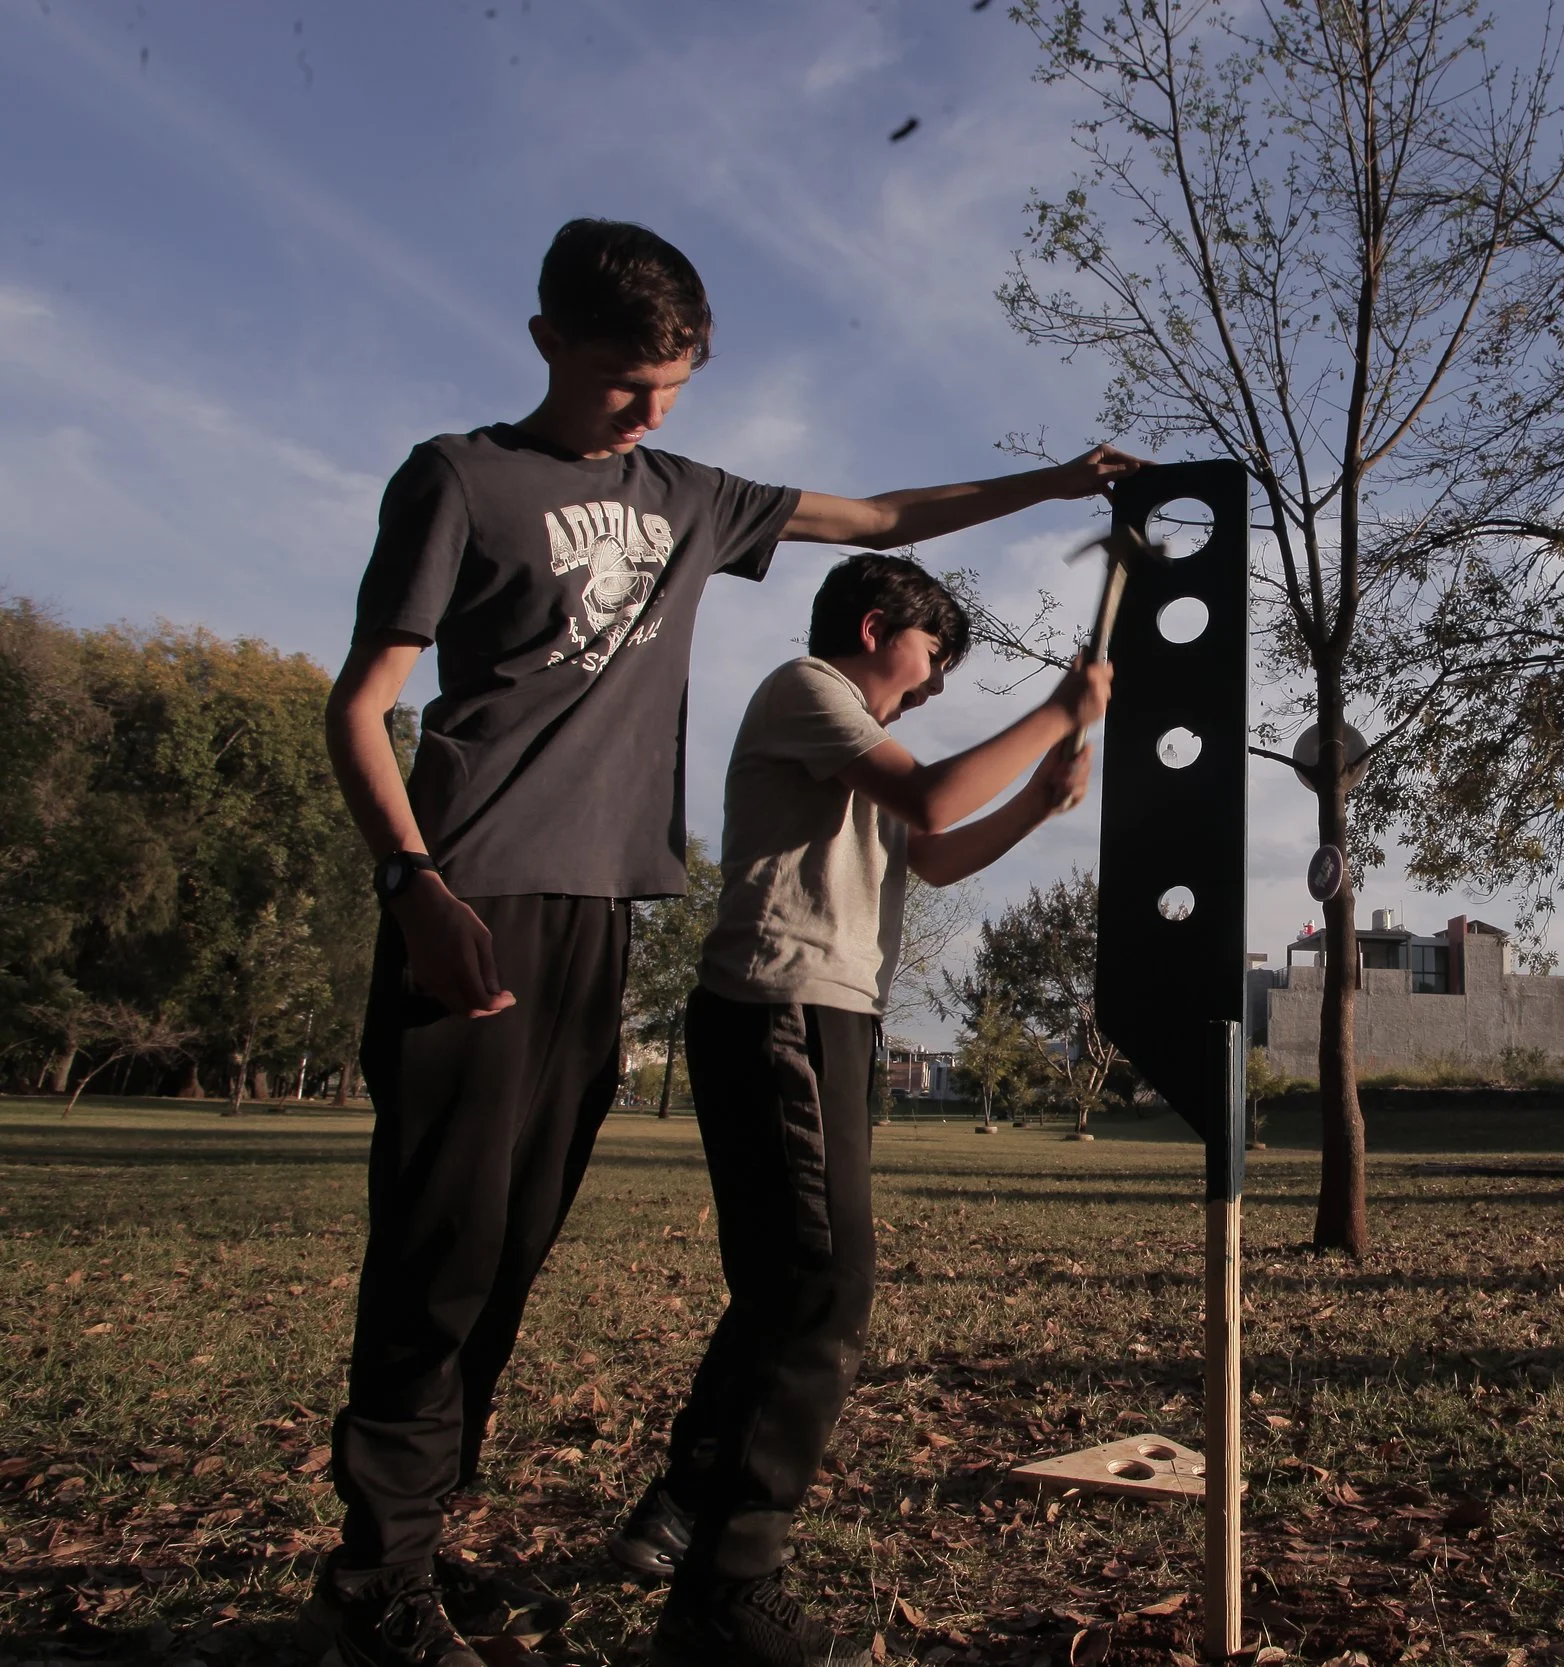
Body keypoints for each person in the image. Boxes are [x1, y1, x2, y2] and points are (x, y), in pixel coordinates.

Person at [307, 216, 1142, 1667]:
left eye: (675, 384)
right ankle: (371, 1579)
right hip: (472, 893)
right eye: (629, 381)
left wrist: (1059, 482)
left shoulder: (688, 495)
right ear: (547, 341)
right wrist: (413, 885)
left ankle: (419, 1549)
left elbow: (883, 518)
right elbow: (362, 700)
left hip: (599, 911)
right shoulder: (459, 477)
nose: (650, 409)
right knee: (438, 1247)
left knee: (509, 1247)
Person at [608, 555, 1103, 1666]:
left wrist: (1034, 800)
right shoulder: (805, 687)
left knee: (786, 1283)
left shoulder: (853, 741)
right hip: (783, 1007)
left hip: (825, 1016)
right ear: (876, 627)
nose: (929, 688)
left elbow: (930, 847)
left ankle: (682, 1508)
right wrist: (1059, 710)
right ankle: (729, 1584)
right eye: (930, 660)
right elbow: (930, 796)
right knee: (825, 1285)